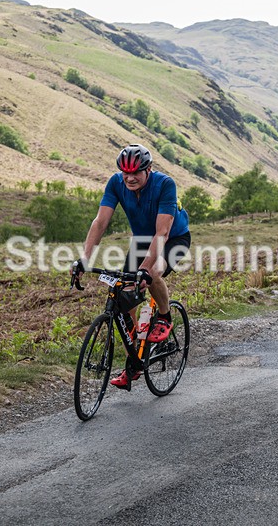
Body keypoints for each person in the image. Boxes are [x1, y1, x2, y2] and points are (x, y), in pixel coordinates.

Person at [73, 144, 191, 389]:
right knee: (125, 299)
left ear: (148, 169)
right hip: (141, 242)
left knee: (153, 272)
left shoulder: (165, 184)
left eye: (135, 172)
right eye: (125, 173)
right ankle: (134, 362)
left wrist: (144, 269)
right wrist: (84, 259)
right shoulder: (116, 183)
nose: (129, 178)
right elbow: (100, 222)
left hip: (173, 239)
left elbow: (162, 232)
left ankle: (165, 316)